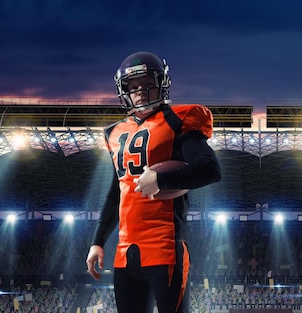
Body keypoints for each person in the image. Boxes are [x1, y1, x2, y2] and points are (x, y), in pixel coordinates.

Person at [85, 51, 221, 313]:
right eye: (133, 87)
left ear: (162, 84)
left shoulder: (176, 121)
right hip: (125, 254)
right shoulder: (115, 132)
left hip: (164, 247)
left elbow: (210, 169)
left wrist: (161, 179)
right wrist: (97, 241)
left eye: (148, 84)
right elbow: (117, 193)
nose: (140, 91)